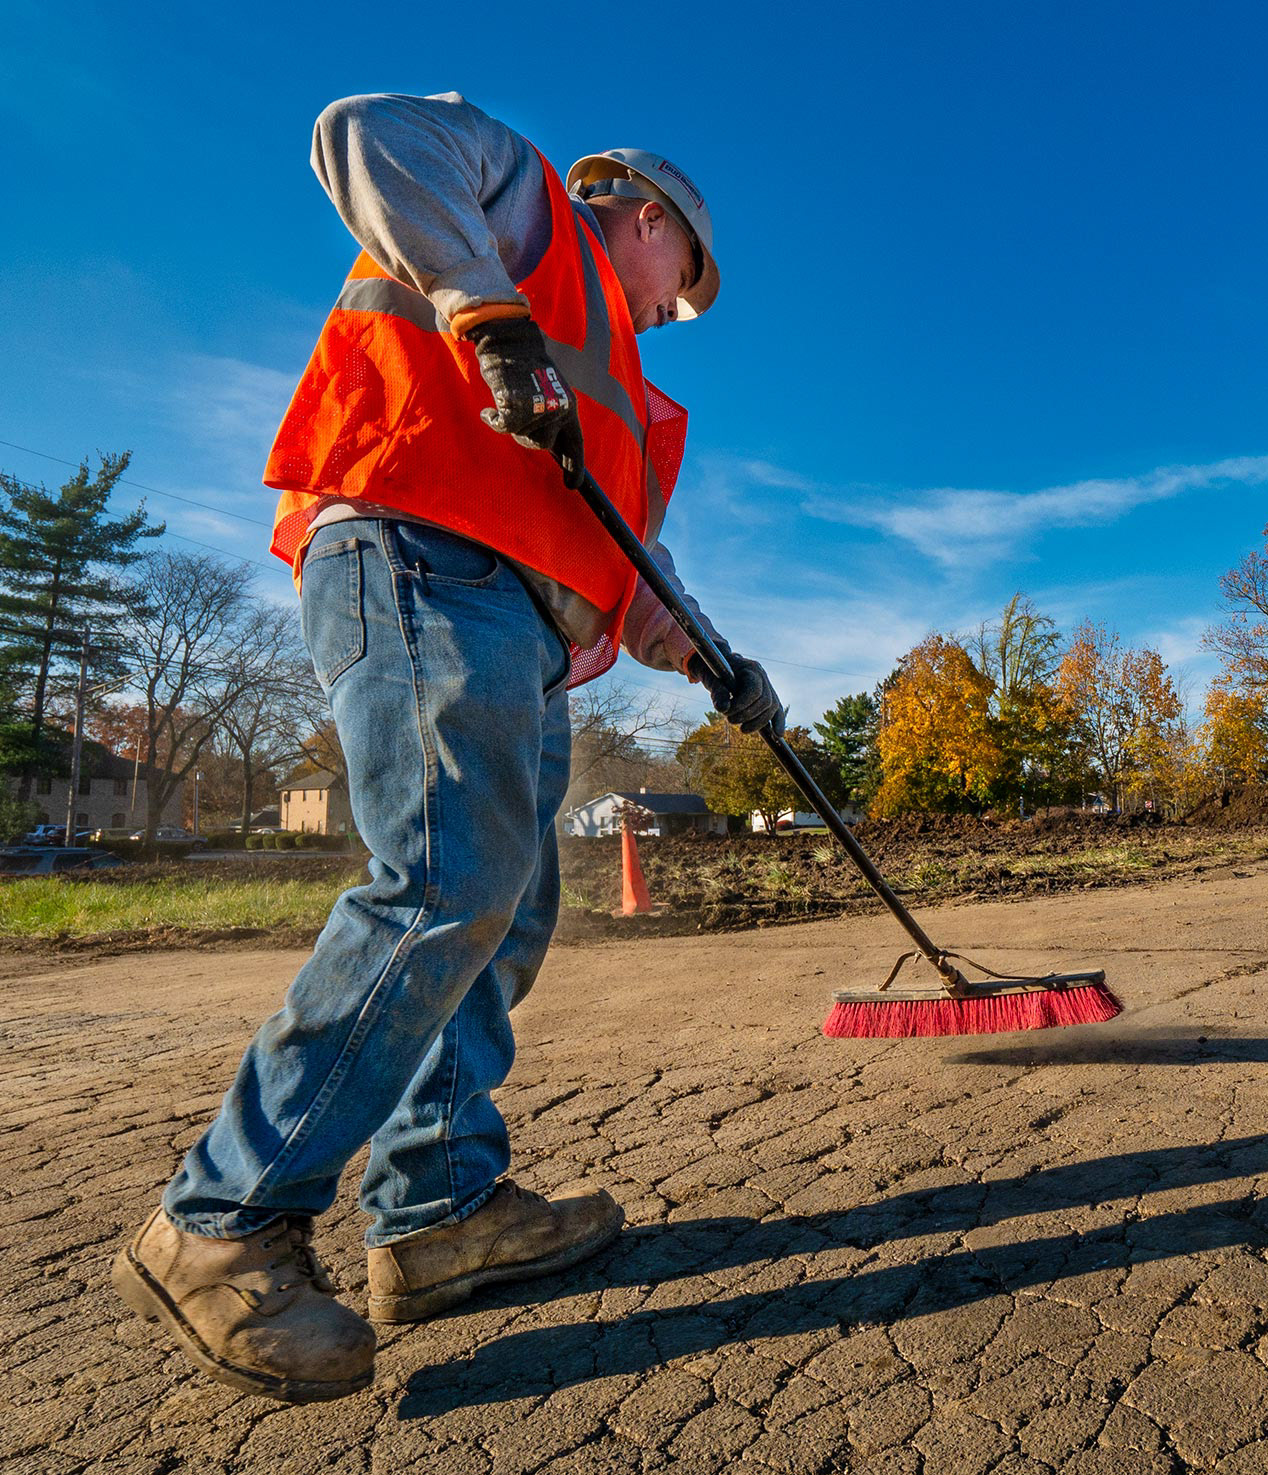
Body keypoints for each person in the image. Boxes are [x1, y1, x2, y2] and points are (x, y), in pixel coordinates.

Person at [111, 92, 783, 1404]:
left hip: (520, 629)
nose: (669, 315)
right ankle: (222, 1221)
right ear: (647, 217)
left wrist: (718, 660)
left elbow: (634, 583)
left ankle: (439, 1212)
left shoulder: (632, 404)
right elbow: (361, 133)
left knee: (503, 914)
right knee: (443, 885)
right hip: (417, 552)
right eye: (678, 286)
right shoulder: (523, 201)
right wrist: (487, 309)